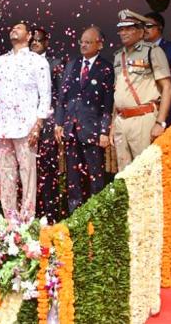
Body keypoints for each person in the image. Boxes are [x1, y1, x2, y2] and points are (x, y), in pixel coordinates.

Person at [0, 21, 51, 222]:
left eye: (19, 28)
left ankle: (27, 219)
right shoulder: (0, 61)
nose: (14, 29)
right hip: (4, 127)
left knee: (28, 174)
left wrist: (38, 125)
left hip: (27, 127)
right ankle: (9, 218)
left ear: (28, 36)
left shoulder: (38, 62)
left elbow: (45, 96)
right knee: (6, 173)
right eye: (13, 28)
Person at [55, 27, 114, 212]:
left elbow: (108, 101)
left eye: (88, 42)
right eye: (82, 41)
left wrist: (104, 130)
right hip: (71, 129)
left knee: (95, 176)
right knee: (73, 179)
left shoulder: (105, 67)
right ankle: (75, 218)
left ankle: (96, 217)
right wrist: (59, 123)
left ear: (100, 44)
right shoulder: (72, 65)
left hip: (93, 131)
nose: (83, 45)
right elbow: (62, 97)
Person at [110, 10, 171, 171]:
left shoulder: (152, 51)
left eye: (128, 28)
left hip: (143, 118)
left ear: (140, 30)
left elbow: (167, 87)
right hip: (121, 120)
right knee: (124, 174)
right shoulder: (118, 56)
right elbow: (118, 91)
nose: (123, 32)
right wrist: (112, 125)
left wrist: (160, 122)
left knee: (146, 172)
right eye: (121, 29)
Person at [30, 27, 64, 222]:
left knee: (48, 168)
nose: (35, 43)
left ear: (46, 43)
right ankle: (31, 212)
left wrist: (57, 122)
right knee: (27, 168)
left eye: (39, 40)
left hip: (48, 124)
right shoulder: (22, 62)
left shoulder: (56, 63)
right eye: (32, 41)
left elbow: (60, 97)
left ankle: (50, 213)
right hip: (25, 124)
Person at [142, 11, 171, 125]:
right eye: (142, 26)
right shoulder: (140, 51)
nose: (144, 29)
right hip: (144, 112)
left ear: (160, 27)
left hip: (169, 110)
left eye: (148, 26)